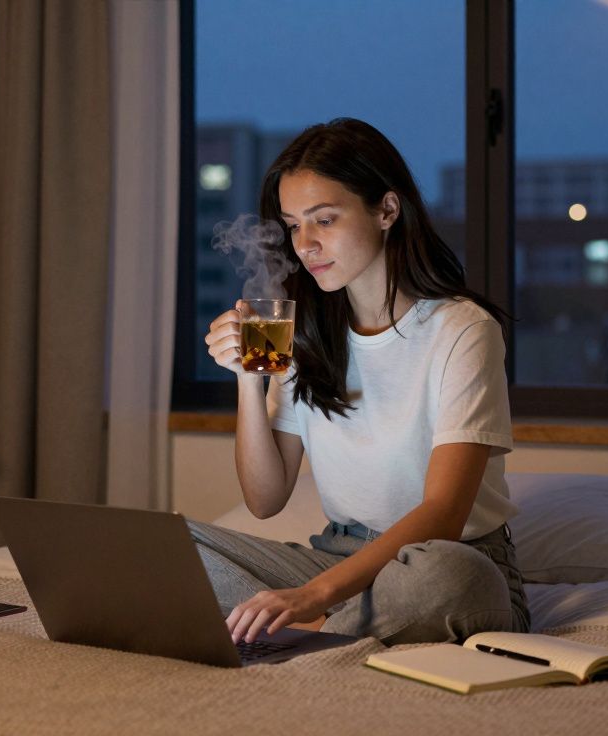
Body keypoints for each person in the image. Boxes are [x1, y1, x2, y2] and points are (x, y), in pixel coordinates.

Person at [196, 117, 528, 648]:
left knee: (448, 578)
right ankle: (321, 634)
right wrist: (247, 381)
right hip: (337, 557)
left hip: (444, 558)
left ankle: (299, 635)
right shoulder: (305, 332)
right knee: (177, 544)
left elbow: (444, 515)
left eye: (324, 220)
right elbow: (265, 499)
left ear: (387, 210)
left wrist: (314, 596)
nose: (305, 245)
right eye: (293, 226)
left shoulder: (462, 330)